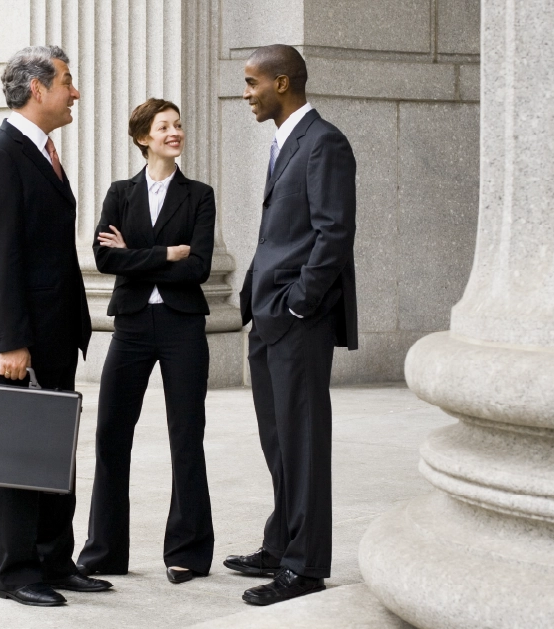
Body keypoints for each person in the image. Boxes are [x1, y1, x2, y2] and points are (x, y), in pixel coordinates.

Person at [0, 45, 112, 607]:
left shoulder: (43, 152)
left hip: (55, 332)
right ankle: (18, 573)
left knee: (53, 451)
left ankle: (53, 560)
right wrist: (12, 343)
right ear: (37, 89)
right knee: (18, 456)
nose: (75, 92)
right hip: (21, 340)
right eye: (67, 81)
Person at [226, 44, 358, 606]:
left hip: (298, 319)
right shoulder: (287, 143)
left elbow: (334, 233)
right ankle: (282, 541)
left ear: (282, 82)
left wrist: (299, 303)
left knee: (302, 442)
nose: (247, 93)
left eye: (253, 82)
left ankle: (304, 567)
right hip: (271, 317)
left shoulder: (324, 142)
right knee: (278, 439)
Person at [75, 98, 216, 585]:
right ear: (143, 138)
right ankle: (105, 551)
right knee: (111, 433)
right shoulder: (120, 193)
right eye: (164, 127)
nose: (175, 132)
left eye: (178, 124)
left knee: (186, 436)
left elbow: (197, 267)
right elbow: (103, 259)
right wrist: (165, 254)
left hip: (182, 327)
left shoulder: (199, 195)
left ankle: (188, 553)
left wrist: (137, 254)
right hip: (132, 326)